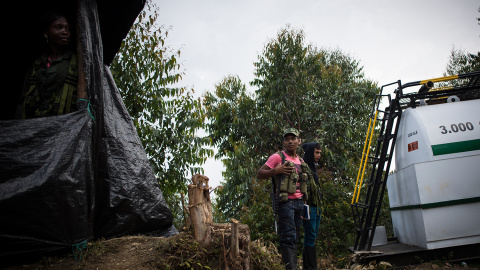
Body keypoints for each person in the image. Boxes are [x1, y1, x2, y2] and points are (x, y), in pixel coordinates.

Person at [257, 127, 312, 270]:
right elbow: (260, 173)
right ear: (283, 142)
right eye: (287, 139)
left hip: (299, 204)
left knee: (296, 238)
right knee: (288, 238)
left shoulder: (300, 160)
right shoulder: (277, 157)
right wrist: (276, 170)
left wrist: (305, 206)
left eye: (293, 138)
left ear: (299, 141)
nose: (290, 141)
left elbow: (302, 185)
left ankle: (291, 266)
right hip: (285, 203)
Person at [16, 11, 87, 119]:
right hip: (35, 125)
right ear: (46, 32)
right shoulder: (38, 64)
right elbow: (23, 99)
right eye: (59, 27)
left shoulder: (76, 62)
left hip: (65, 126)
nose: (65, 32)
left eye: (67, 29)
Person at [301, 142, 323, 270]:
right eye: (316, 152)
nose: (319, 155)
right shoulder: (304, 167)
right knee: (310, 237)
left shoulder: (313, 167)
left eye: (320, 152)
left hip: (317, 206)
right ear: (310, 153)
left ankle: (307, 267)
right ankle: (311, 267)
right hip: (309, 206)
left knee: (312, 237)